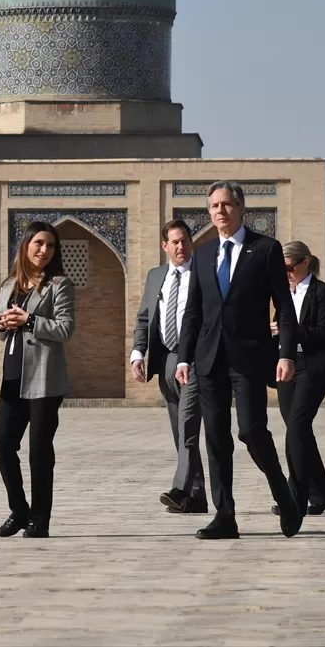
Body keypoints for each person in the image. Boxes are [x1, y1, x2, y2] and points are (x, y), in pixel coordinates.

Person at [176, 181, 302, 540]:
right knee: (216, 437)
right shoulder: (202, 254)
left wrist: (286, 353)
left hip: (248, 358)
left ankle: (283, 493)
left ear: (241, 209)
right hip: (209, 360)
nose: (220, 210)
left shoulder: (264, 250)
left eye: (227, 204)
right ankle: (225, 516)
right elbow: (193, 311)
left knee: (251, 431)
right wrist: (184, 358)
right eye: (214, 205)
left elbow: (285, 307)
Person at [0, 221, 77, 539]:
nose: (44, 250)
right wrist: (2, 324)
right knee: (2, 443)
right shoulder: (9, 285)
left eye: (51, 245)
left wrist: (30, 321)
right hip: (13, 375)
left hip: (44, 378)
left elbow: (66, 329)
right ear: (26, 245)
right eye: (39, 243)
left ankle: (40, 520)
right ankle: (19, 510)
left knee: (39, 451)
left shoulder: (59, 285)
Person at [132, 219, 207, 514]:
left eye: (185, 240)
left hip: (194, 360)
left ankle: (180, 489)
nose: (181, 246)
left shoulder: (204, 273)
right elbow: (144, 318)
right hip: (166, 360)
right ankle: (196, 497)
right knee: (179, 431)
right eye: (174, 242)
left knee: (188, 425)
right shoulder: (156, 276)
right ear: (165, 246)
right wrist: (138, 353)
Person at [271, 241, 325, 519]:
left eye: (290, 268)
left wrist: (291, 330)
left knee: (297, 429)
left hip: (312, 366)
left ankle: (294, 497)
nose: (286, 273)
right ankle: (322, 494)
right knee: (298, 431)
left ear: (305, 263)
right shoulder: (282, 294)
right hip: (286, 365)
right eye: (282, 269)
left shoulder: (322, 293)